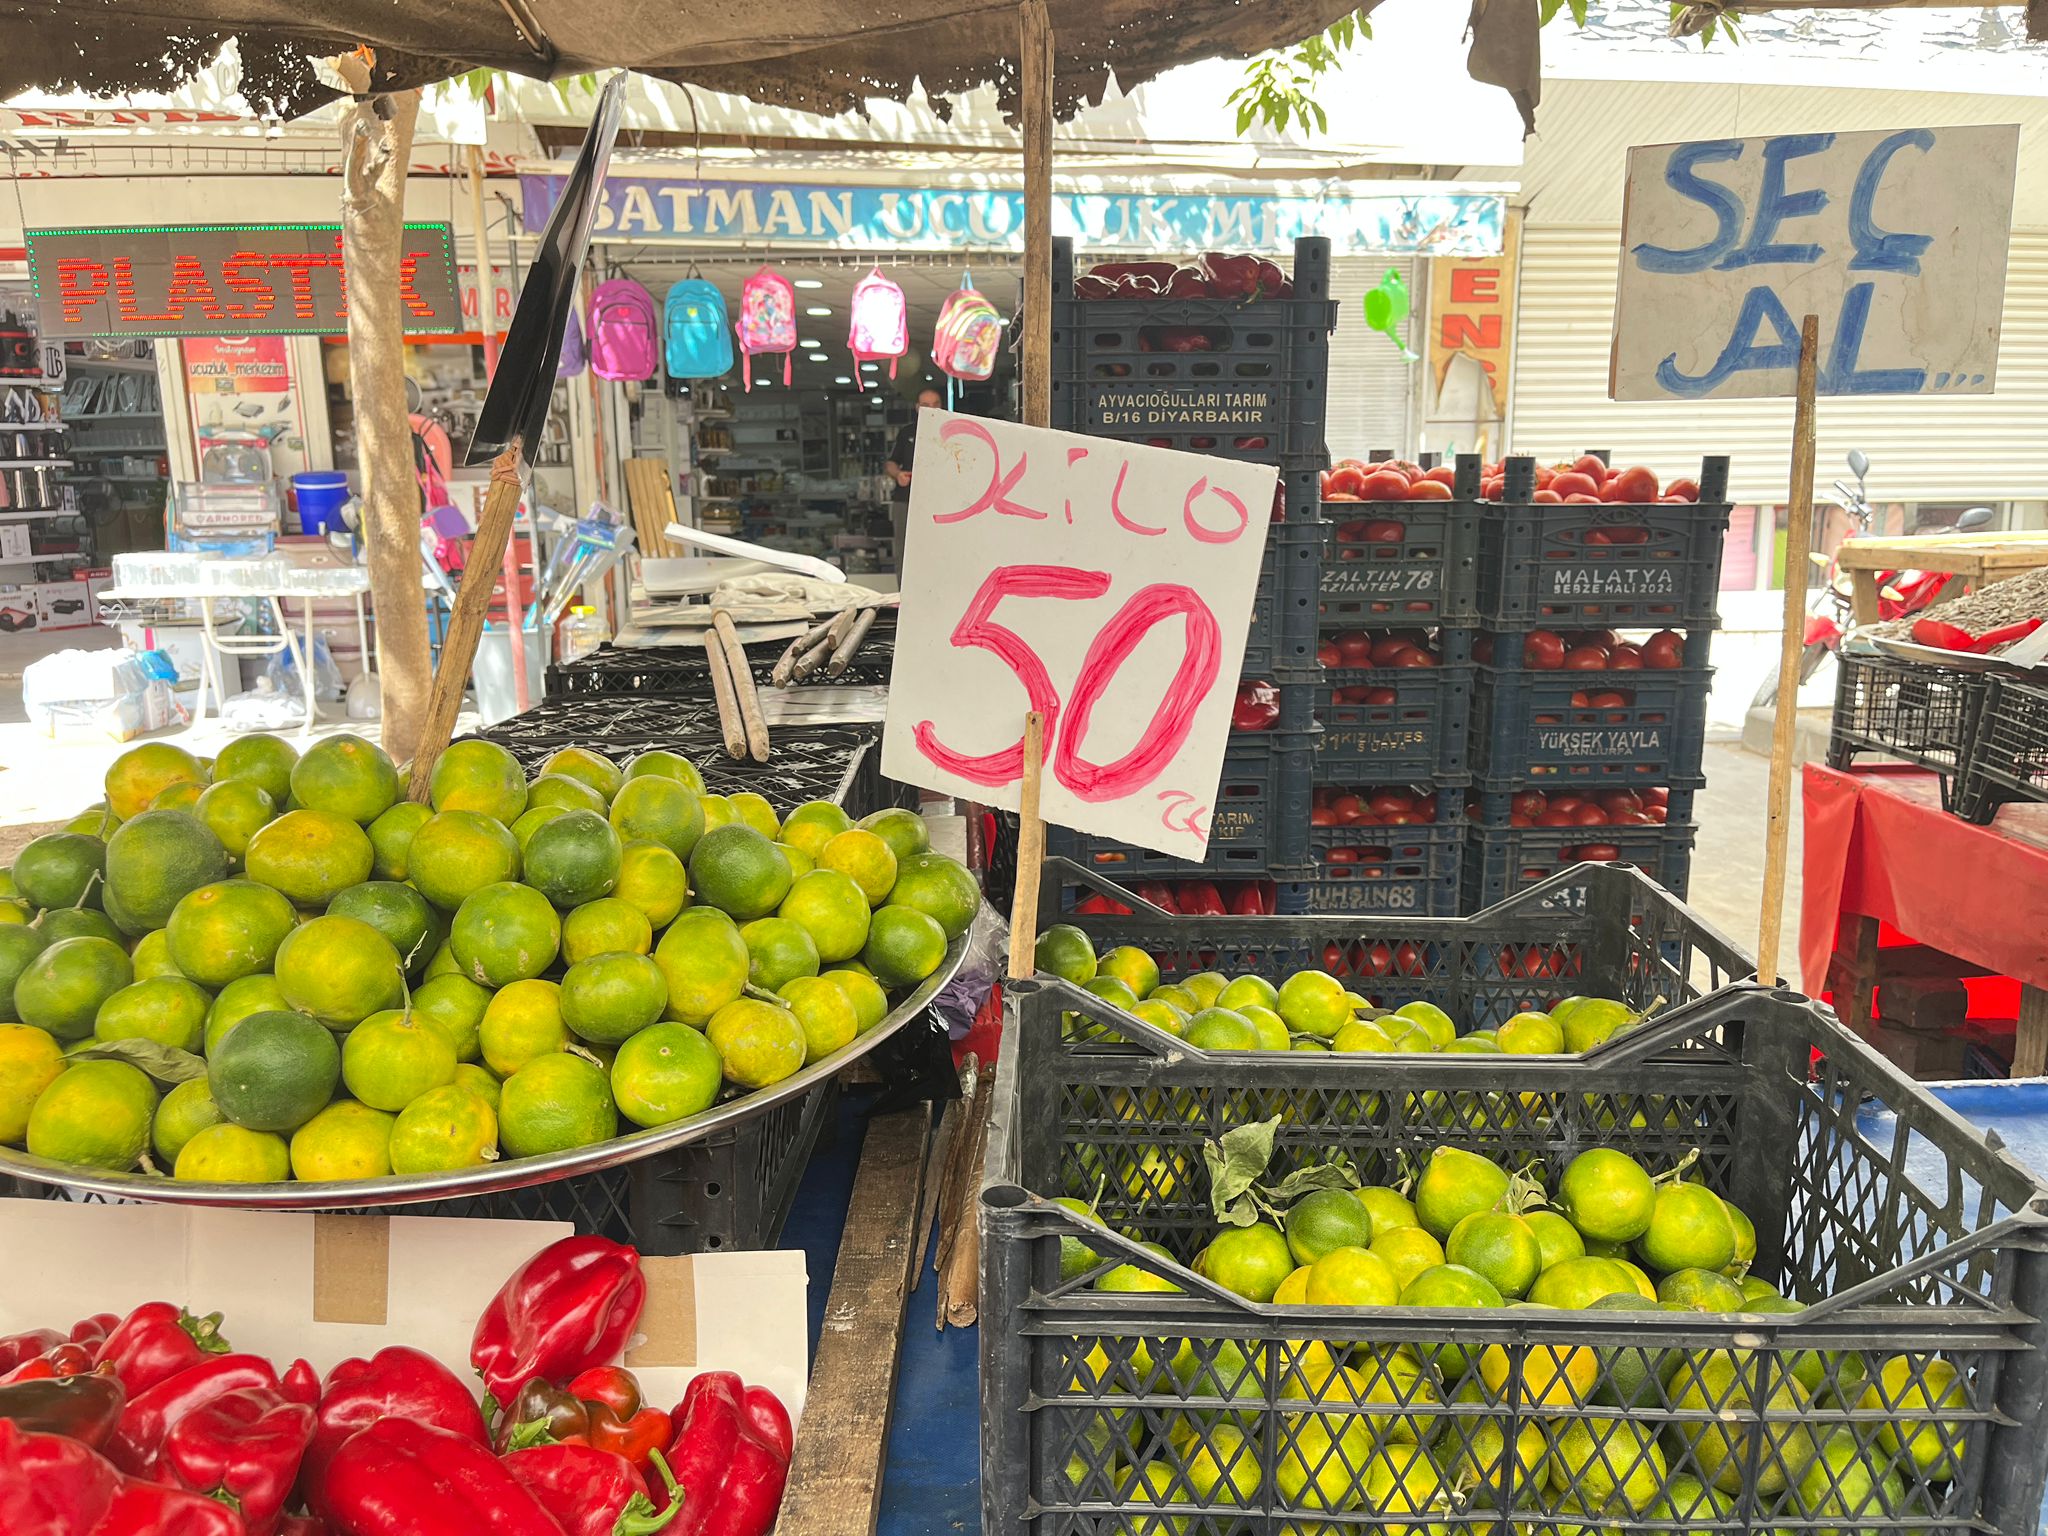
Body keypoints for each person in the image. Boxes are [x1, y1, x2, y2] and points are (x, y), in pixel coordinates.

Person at [886, 386, 944, 575]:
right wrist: (898, 475)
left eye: (936, 404)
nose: (932, 409)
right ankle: (904, 595)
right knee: (904, 549)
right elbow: (891, 463)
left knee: (939, 548)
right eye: (926, 405)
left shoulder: (952, 431)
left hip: (940, 502)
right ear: (918, 407)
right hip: (906, 499)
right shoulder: (907, 433)